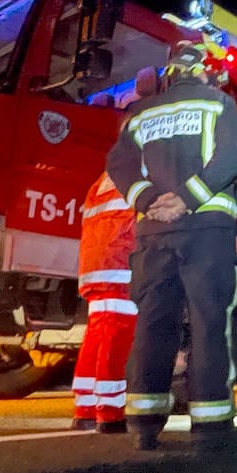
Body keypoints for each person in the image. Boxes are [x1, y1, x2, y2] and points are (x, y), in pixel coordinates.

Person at [105, 42, 237, 453]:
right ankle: (210, 426)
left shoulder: (140, 112)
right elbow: (230, 157)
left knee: (153, 322)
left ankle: (144, 423)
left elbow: (119, 163)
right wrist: (188, 197)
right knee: (207, 323)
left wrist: (149, 200)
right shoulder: (219, 104)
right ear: (202, 71)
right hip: (206, 229)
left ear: (169, 72)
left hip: (154, 233)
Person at [70, 170, 138, 433]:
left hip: (95, 267)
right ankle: (109, 413)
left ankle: (84, 409)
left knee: (96, 335)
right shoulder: (140, 170)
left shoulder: (102, 180)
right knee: (117, 337)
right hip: (121, 266)